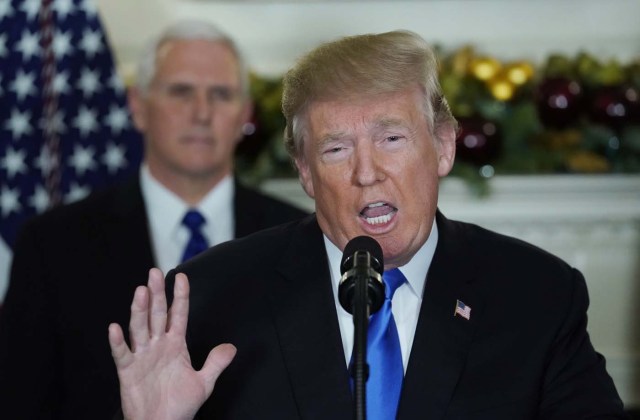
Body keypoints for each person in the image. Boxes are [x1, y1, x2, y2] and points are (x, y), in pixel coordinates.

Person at [108, 30, 628, 419]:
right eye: (336, 149)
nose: (366, 172)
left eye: (391, 139)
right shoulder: (212, 299)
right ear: (307, 173)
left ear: (443, 146)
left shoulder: (536, 295)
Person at [0, 20, 307, 420]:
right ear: (137, 106)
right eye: (181, 92)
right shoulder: (53, 244)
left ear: (245, 114)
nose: (201, 113)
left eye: (221, 94)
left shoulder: (301, 237)